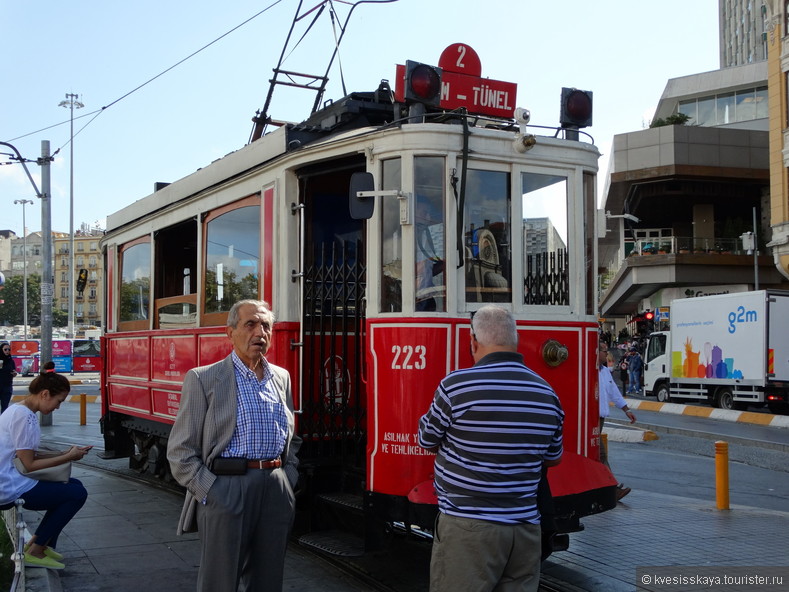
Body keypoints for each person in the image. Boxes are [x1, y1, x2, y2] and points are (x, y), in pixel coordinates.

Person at [418, 305, 563, 592]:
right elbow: (552, 459)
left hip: (468, 528)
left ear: (474, 341)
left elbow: (426, 439)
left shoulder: (455, 387)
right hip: (524, 531)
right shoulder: (547, 393)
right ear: (515, 340)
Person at [167, 299, 300, 592]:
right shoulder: (204, 378)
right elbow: (180, 450)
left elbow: (292, 435)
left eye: (266, 325)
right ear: (230, 333)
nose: (259, 332)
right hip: (227, 487)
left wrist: (288, 477)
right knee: (220, 580)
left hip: (275, 488)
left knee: (268, 579)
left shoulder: (282, 377)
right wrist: (211, 491)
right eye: (250, 324)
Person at [0, 371, 90, 569]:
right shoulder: (25, 417)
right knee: (76, 493)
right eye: (58, 401)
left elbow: (28, 455)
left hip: (9, 480)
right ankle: (36, 551)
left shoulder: (18, 410)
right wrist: (68, 457)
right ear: (45, 394)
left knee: (73, 485)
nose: (58, 407)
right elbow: (30, 464)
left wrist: (65, 452)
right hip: (8, 486)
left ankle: (39, 544)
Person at [598, 342, 636, 501]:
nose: (606, 354)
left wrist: (626, 409)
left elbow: (614, 392)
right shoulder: (588, 370)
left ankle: (608, 488)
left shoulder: (605, 372)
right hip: (591, 419)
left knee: (599, 455)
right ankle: (611, 490)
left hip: (600, 419)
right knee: (600, 454)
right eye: (604, 351)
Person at [0, 342, 17, 412]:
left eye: (9, 349)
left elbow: (13, 370)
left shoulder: (10, 360)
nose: (7, 351)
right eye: (5, 349)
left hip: (7, 386)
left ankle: (2, 422)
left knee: (5, 407)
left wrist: (14, 373)